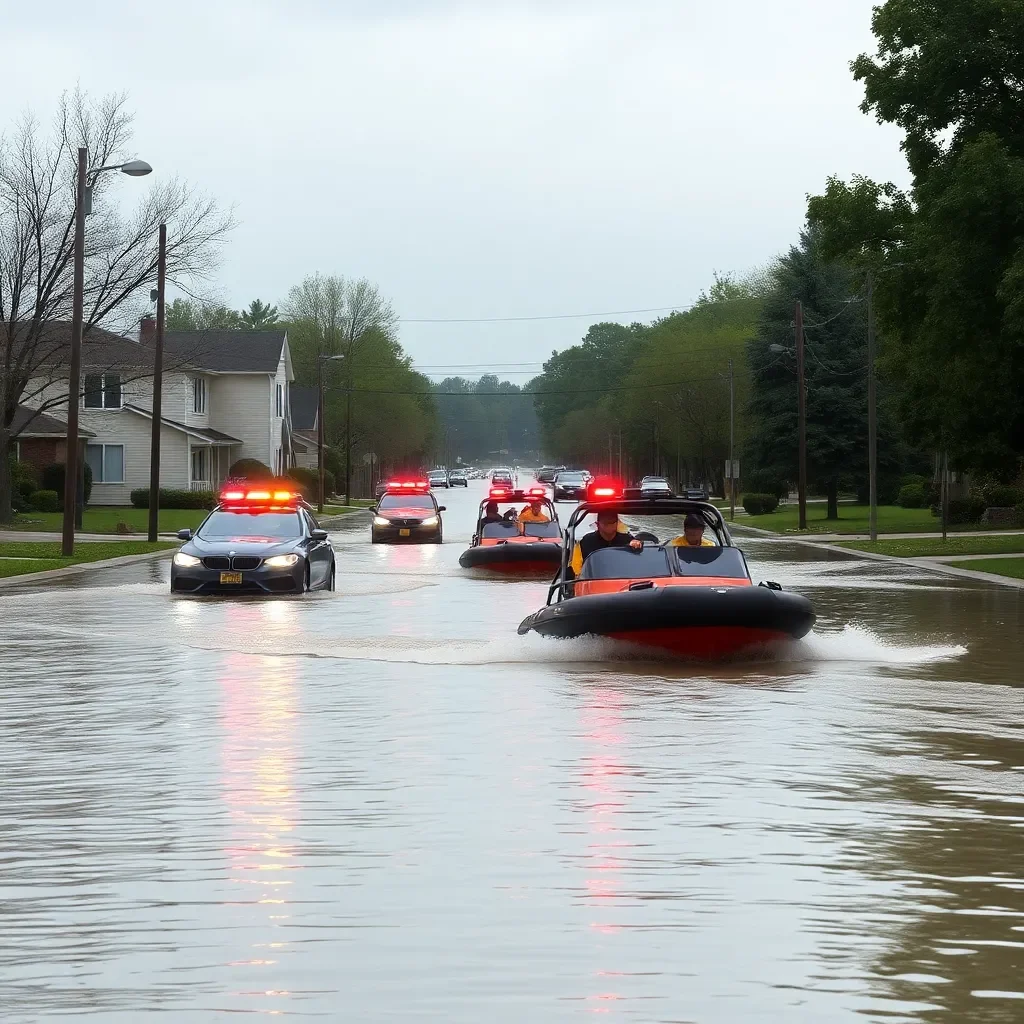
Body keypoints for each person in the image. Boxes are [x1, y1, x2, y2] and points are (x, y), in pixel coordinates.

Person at [570, 509, 643, 576]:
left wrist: (636, 543)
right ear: (597, 524)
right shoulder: (586, 541)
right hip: (594, 582)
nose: (609, 523)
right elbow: (575, 570)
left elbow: (639, 549)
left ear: (617, 523)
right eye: (606, 522)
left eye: (612, 521)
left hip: (622, 581)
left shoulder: (627, 539)